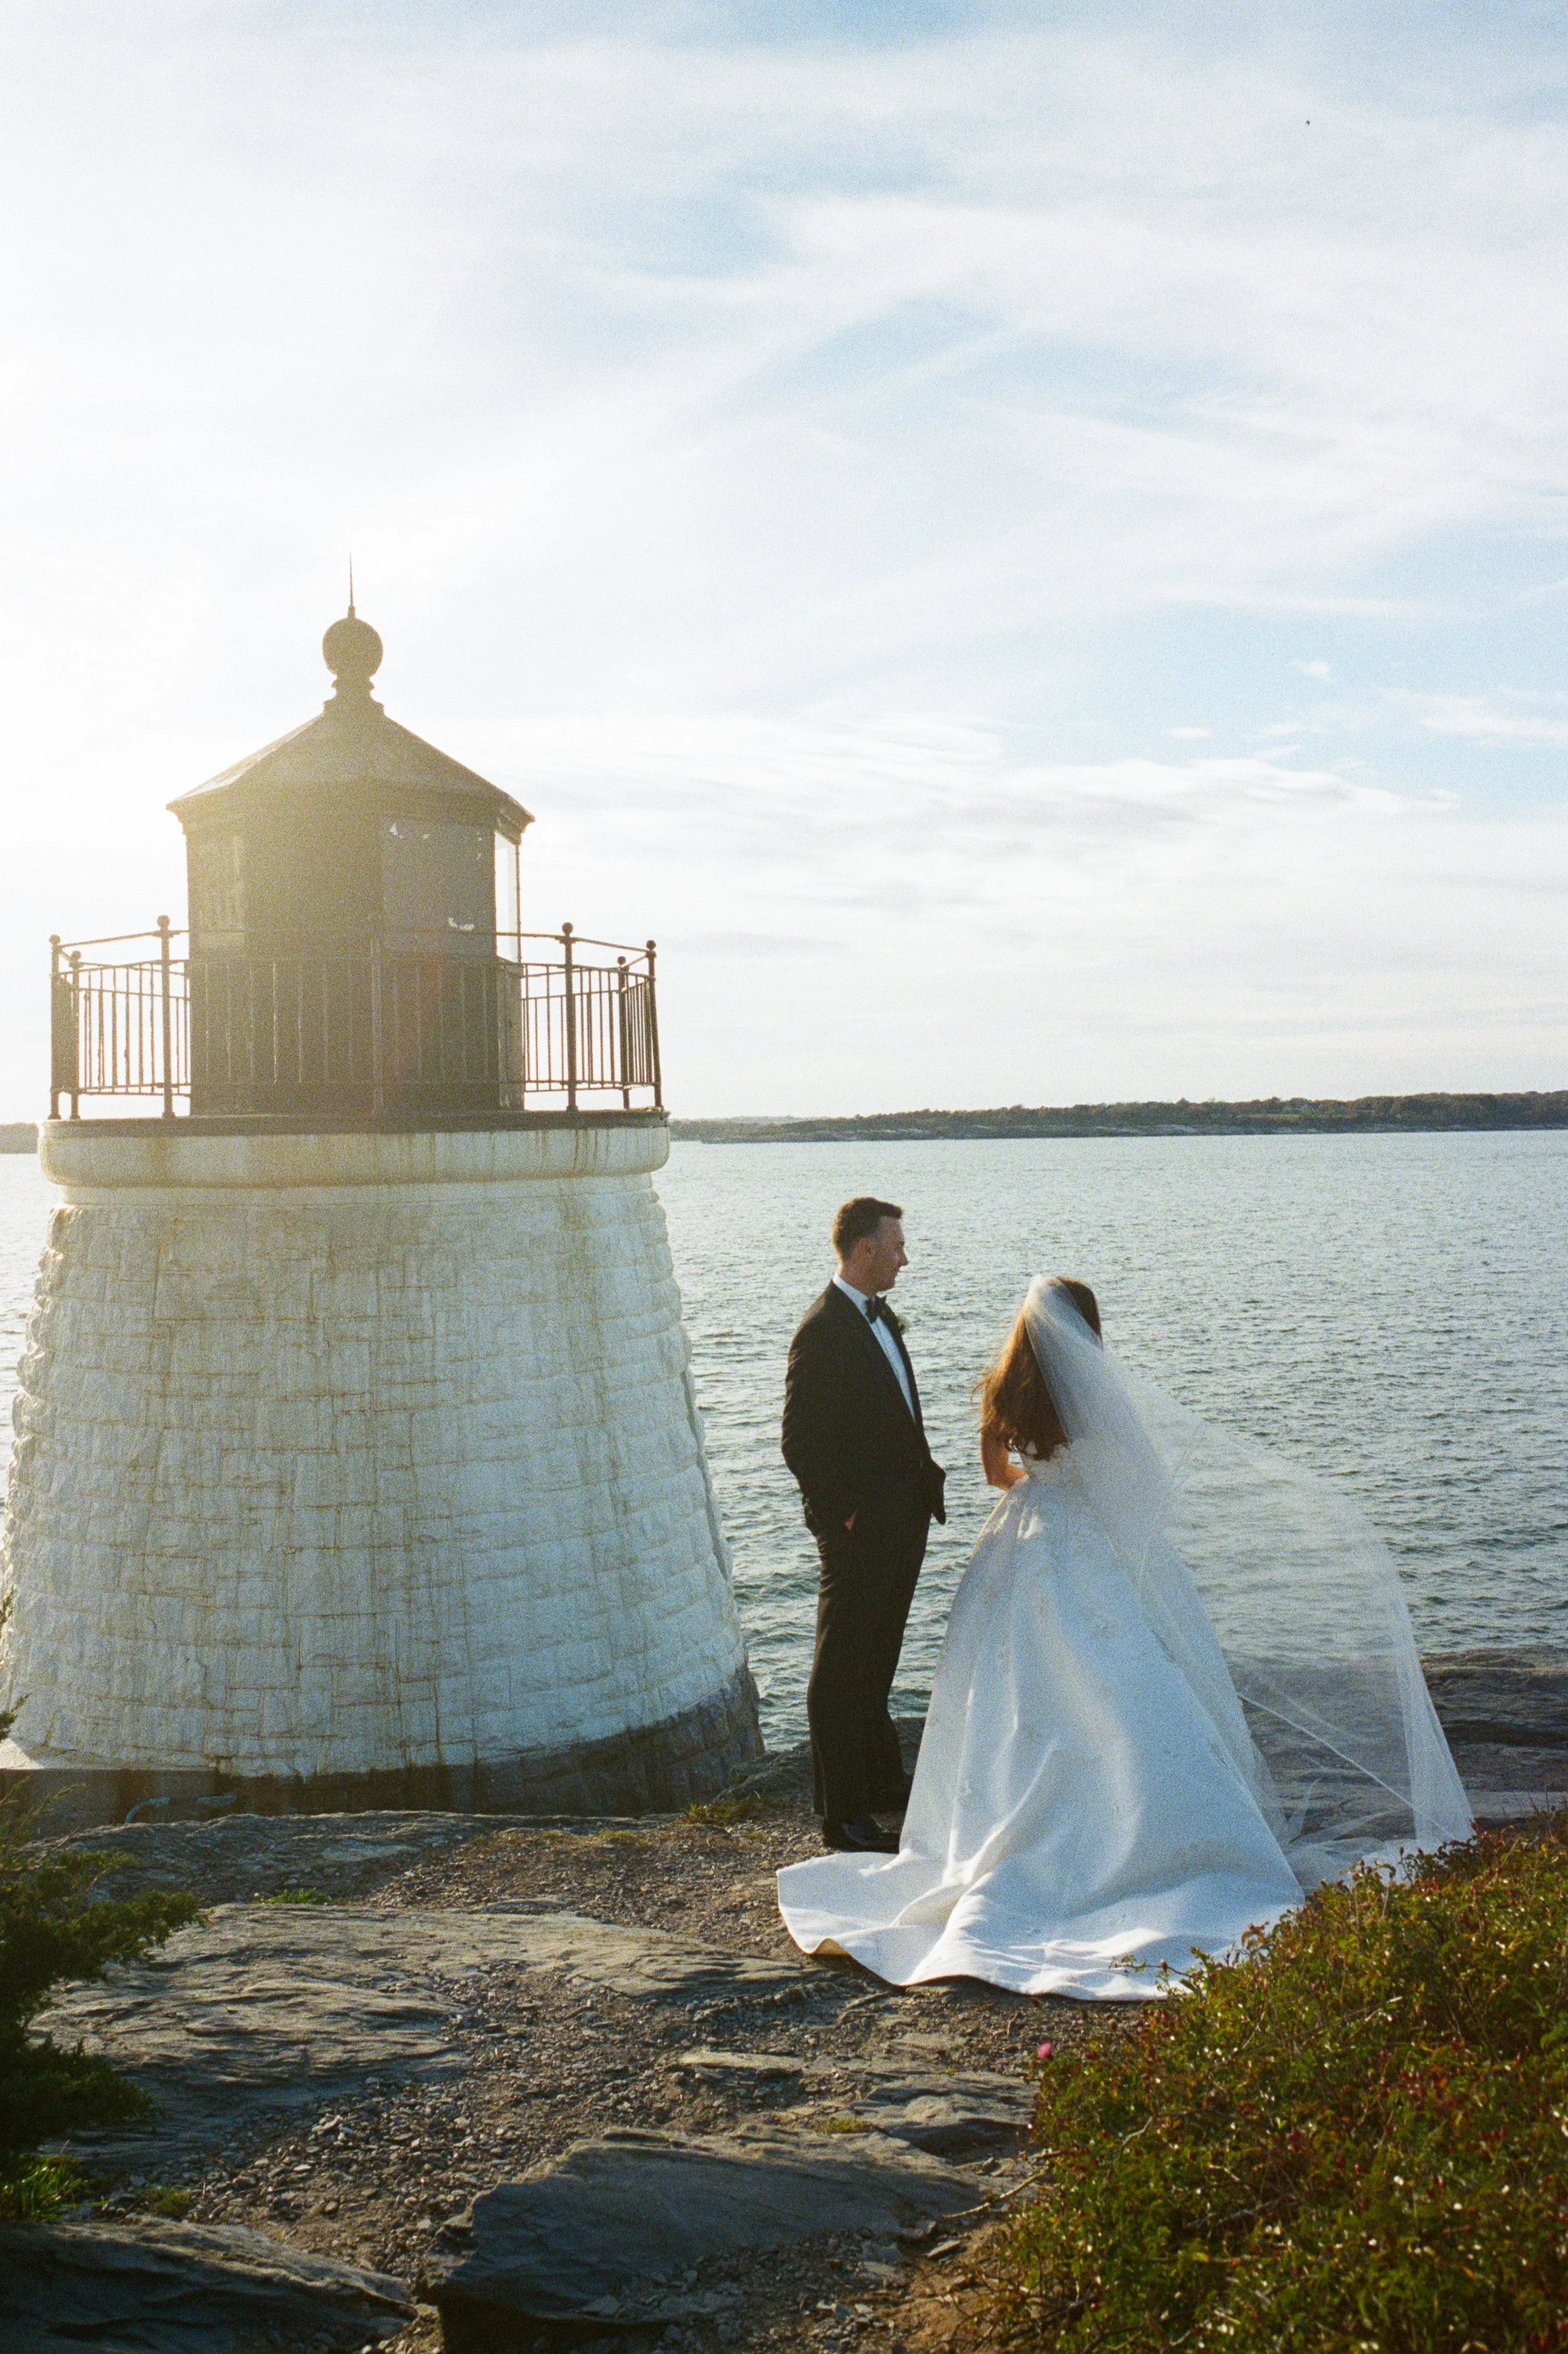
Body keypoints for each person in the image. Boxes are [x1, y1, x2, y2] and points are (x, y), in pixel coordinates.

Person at [777, 1275, 1473, 1998]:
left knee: (1009, 1696)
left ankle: (999, 1832)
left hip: (1022, 1539)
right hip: (1089, 1540)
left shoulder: (1001, 1388)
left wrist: (1040, 1485)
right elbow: (1144, 1481)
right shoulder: (1096, 1394)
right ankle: (1143, 1838)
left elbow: (995, 1473)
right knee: (1131, 1683)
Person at [781, 1198, 947, 1855]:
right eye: (897, 1245)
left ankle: (881, 1779)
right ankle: (840, 1812)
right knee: (841, 1666)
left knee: (878, 1655)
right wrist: (845, 1513)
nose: (906, 1258)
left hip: (901, 1514)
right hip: (859, 1528)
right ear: (864, 1249)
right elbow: (799, 1440)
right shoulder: (822, 1329)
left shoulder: (874, 1316)